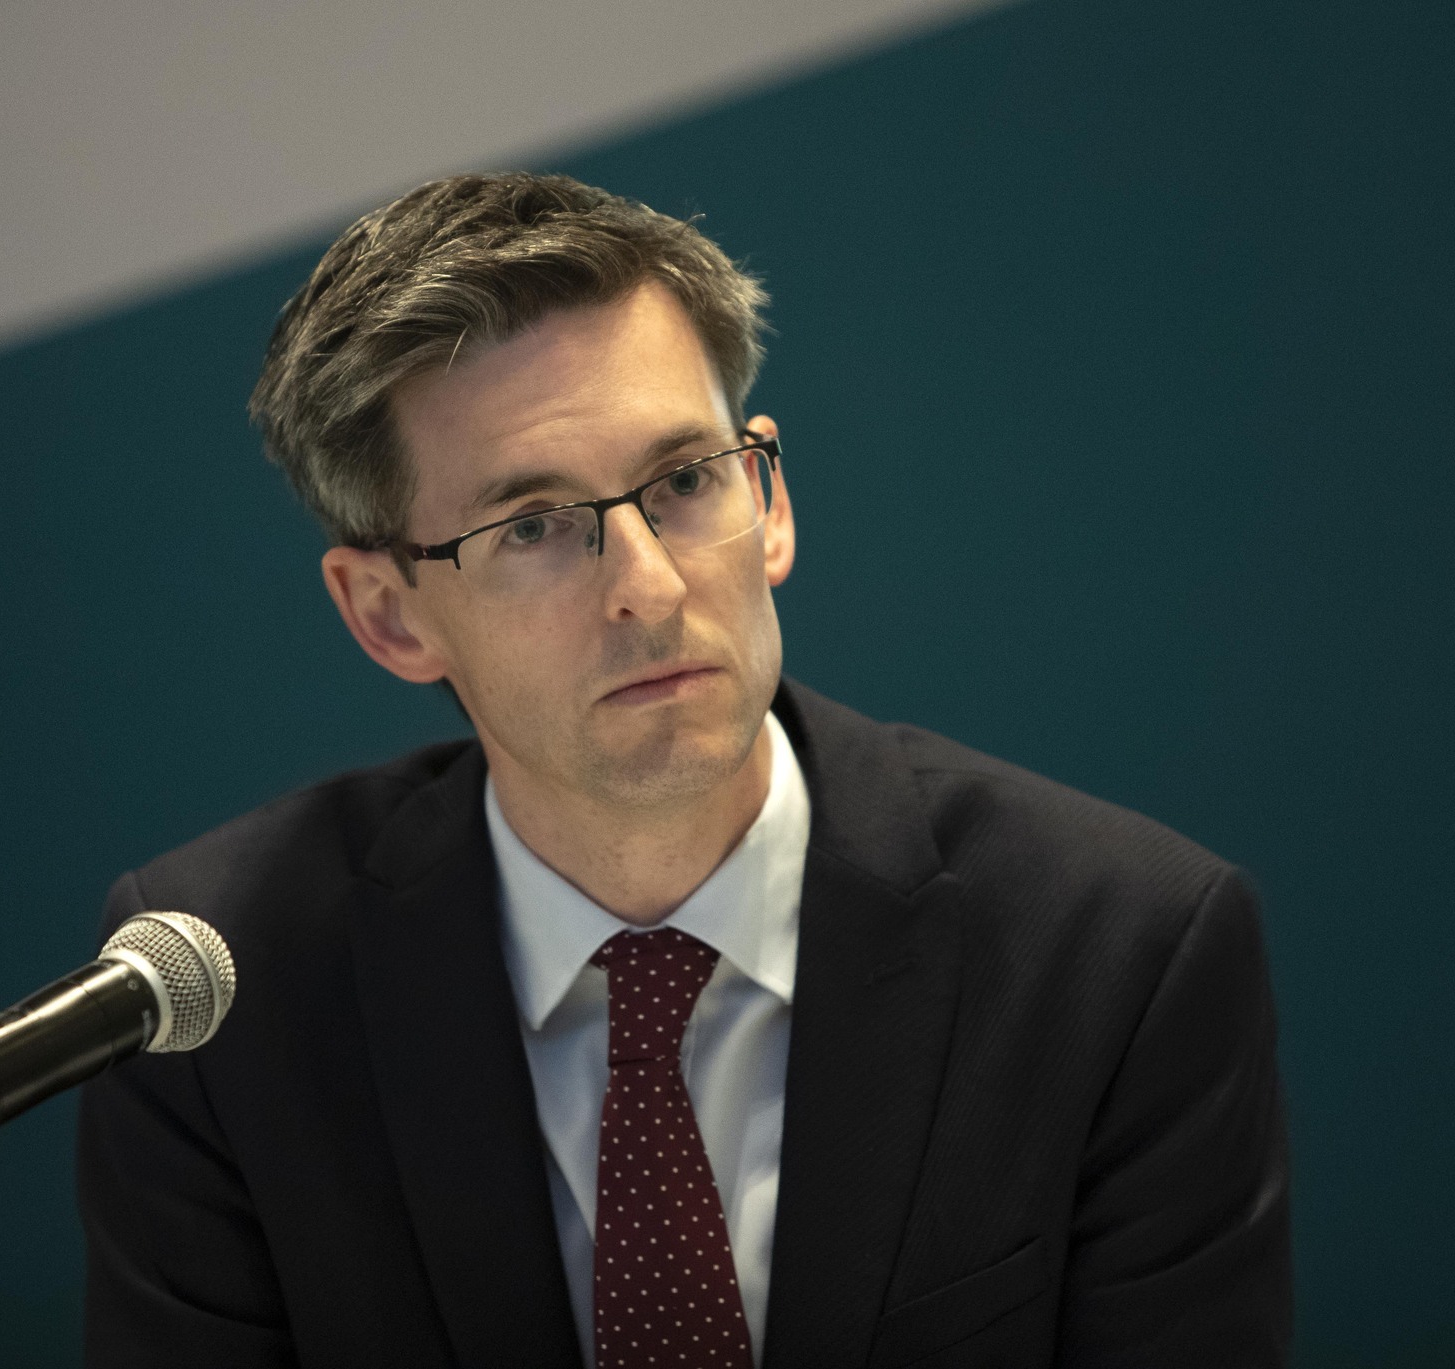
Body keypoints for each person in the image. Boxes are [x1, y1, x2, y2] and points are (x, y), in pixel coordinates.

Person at [77, 172, 1292, 1369]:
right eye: (532, 526)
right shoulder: (219, 999)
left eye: (683, 482)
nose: (649, 587)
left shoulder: (1116, 950)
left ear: (770, 498)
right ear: (388, 615)